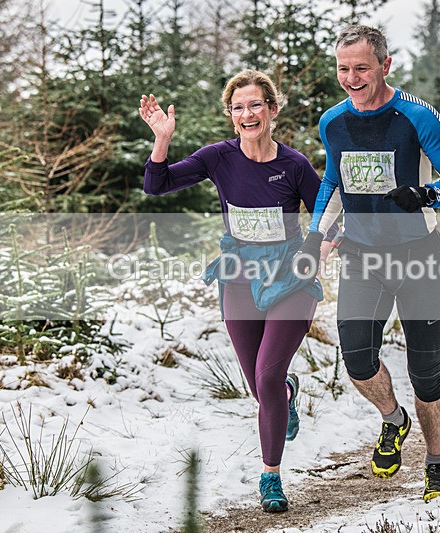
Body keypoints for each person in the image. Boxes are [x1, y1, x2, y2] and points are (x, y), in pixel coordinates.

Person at [140, 70, 336, 513]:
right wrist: (162, 139)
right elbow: (157, 185)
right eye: (239, 107)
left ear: (271, 109)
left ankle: (271, 477)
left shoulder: (295, 165)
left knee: (266, 375)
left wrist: (319, 247)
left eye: (256, 105)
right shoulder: (218, 158)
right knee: (261, 386)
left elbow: (326, 214)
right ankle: (286, 395)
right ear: (231, 116)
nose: (248, 114)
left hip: (291, 280)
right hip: (239, 277)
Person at [294, 24, 440, 502]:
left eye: (361, 68)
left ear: (384, 66)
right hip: (361, 256)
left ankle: (435, 464)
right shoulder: (332, 121)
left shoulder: (418, 116)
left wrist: (426, 193)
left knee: (427, 372)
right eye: (343, 69)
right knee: (356, 359)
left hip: (419, 256)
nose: (352, 78)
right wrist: (315, 235)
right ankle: (394, 420)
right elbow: (332, 181)